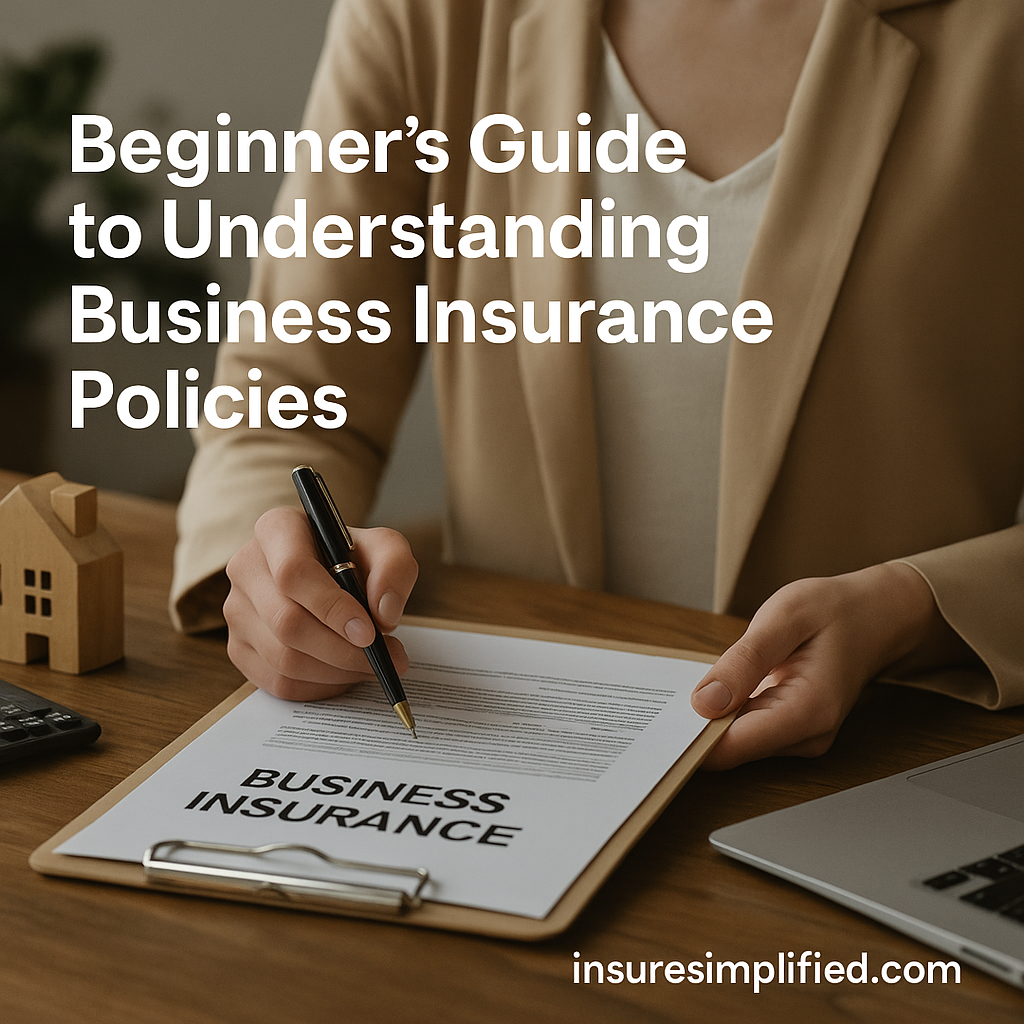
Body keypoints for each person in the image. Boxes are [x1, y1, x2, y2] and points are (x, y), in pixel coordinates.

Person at [171, 0, 1024, 769]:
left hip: (889, 763)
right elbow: (286, 395)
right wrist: (271, 571)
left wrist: (912, 613)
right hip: (502, 756)